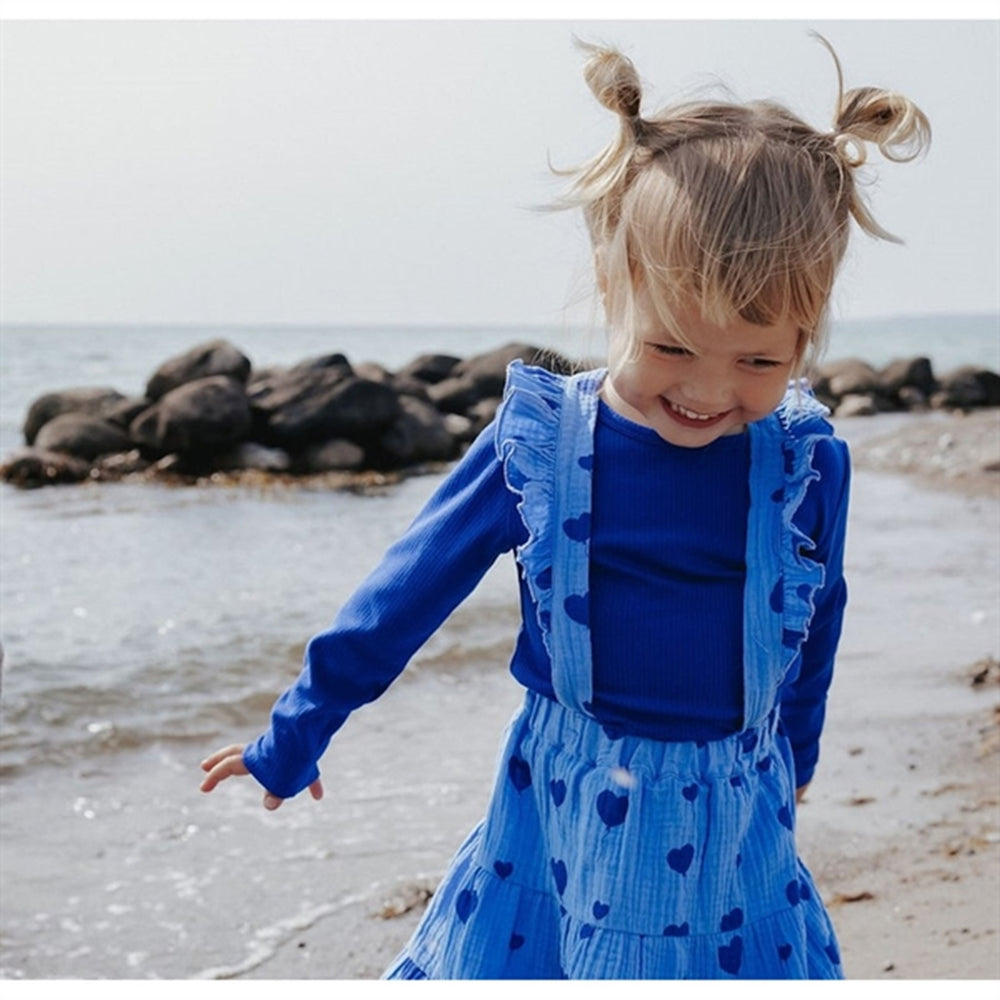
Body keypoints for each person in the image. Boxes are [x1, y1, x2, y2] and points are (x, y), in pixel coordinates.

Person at [200, 36, 930, 979]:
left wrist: (798, 760)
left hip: (737, 807)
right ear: (615, 285)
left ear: (808, 331)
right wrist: (297, 730)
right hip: (574, 808)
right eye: (672, 347)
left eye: (759, 360)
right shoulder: (545, 446)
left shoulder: (804, 463)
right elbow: (404, 594)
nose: (708, 390)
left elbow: (815, 618)